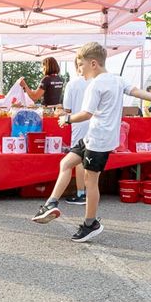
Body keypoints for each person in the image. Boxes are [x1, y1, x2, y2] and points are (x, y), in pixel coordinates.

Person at [31, 42, 151, 243]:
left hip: (99, 140)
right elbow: (136, 91)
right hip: (93, 137)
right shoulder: (116, 80)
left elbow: (87, 114)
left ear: (93, 63)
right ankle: (51, 203)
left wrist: (66, 119)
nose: (80, 70)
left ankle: (90, 223)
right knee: (66, 163)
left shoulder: (96, 84)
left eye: (81, 65)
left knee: (90, 181)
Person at [61, 58, 89, 205]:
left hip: (79, 123)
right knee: (93, 158)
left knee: (78, 158)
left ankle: (81, 193)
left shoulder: (72, 84)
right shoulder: (97, 82)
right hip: (96, 125)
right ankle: (89, 192)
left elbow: (67, 109)